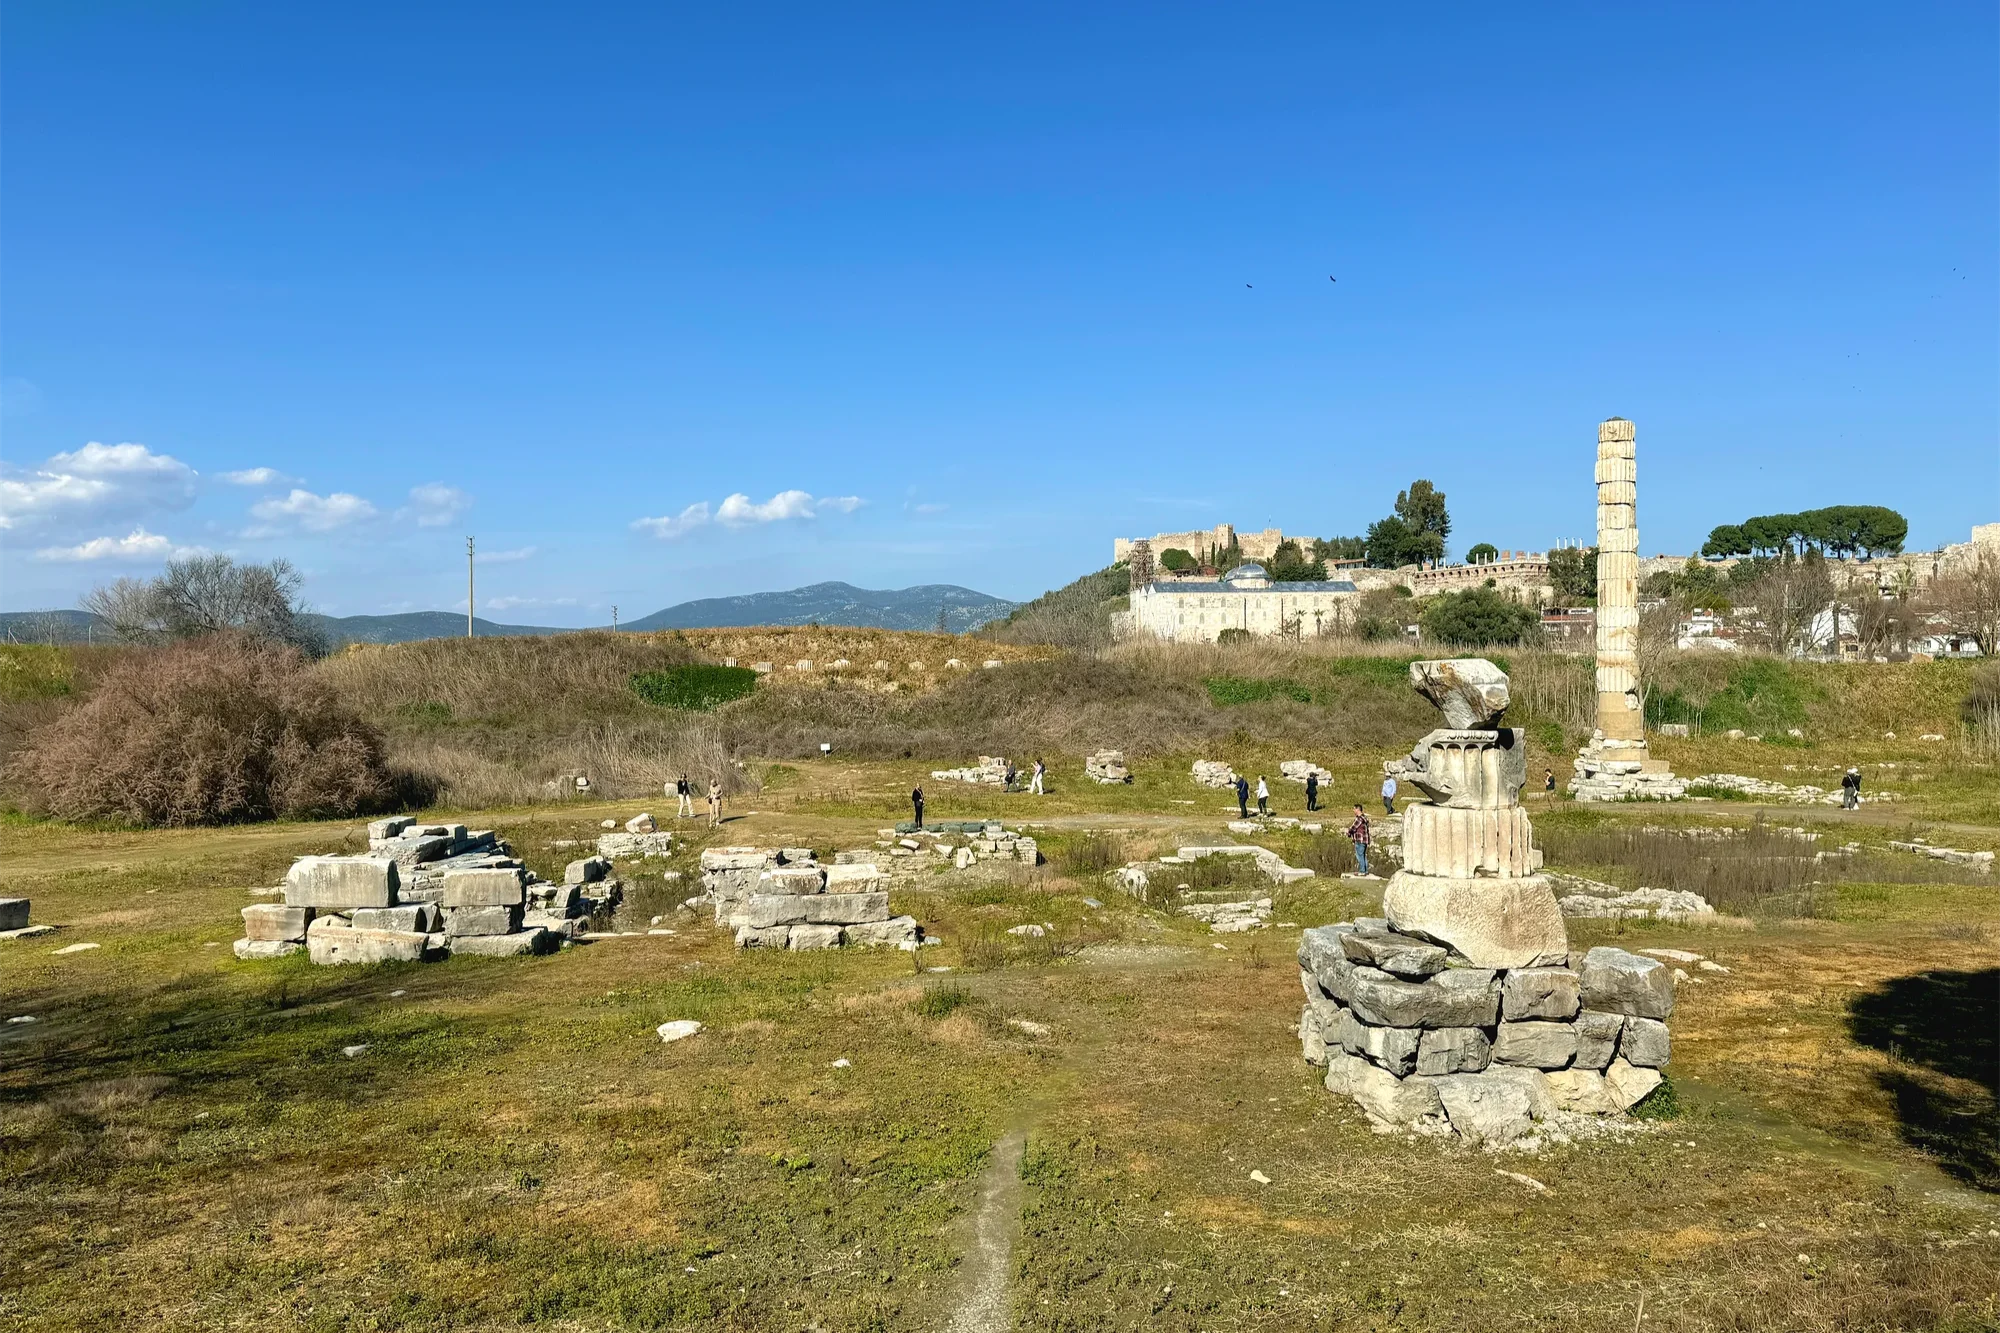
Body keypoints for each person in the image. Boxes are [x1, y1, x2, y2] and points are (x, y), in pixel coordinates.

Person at [1348, 804, 1372, 875]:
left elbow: (1353, 828)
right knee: (1363, 855)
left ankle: (1362, 871)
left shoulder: (1359, 819)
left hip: (1359, 840)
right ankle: (1365, 870)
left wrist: (1349, 832)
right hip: (1365, 840)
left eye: (1354, 809)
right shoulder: (1364, 818)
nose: (1353, 810)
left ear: (1358, 809)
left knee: (1359, 856)